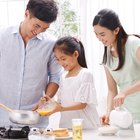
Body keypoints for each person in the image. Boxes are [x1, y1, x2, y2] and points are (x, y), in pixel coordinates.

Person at [0, 0, 62, 128]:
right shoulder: (2, 37)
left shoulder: (51, 44)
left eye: (44, 28)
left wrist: (46, 98)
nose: (38, 31)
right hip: (2, 118)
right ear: (26, 14)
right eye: (36, 25)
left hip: (35, 122)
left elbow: (55, 77)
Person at [92, 8, 140, 125]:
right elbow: (112, 90)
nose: (99, 38)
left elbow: (120, 92)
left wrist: (124, 92)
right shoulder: (106, 57)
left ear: (116, 30)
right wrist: (109, 112)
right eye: (96, 34)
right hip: (127, 116)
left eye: (102, 34)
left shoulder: (134, 44)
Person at [43, 36, 100, 129]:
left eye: (63, 58)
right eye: (57, 59)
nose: (61, 63)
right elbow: (60, 103)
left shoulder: (85, 74)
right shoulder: (62, 77)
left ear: (75, 54)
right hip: (67, 127)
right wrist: (48, 103)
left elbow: (82, 104)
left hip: (85, 127)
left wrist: (61, 108)